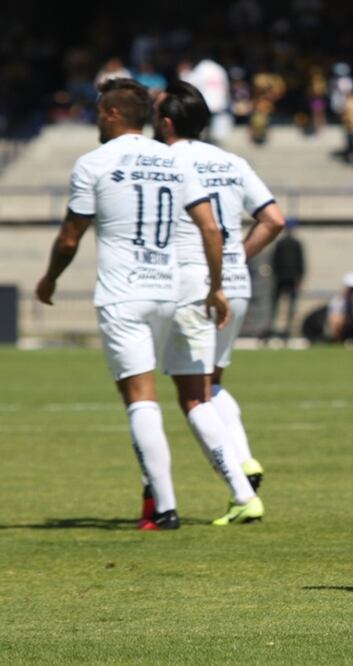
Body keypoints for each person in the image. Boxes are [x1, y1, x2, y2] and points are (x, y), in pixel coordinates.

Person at [34, 78, 227, 530]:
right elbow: (211, 229)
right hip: (166, 291)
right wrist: (215, 286)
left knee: (140, 399)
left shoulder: (93, 162)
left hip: (123, 294)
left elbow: (69, 237)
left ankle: (164, 508)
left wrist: (49, 279)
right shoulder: (173, 159)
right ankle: (154, 497)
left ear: (114, 114)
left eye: (101, 111)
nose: (98, 119)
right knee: (155, 397)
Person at [155, 81, 287, 502]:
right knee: (212, 384)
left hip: (193, 281)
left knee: (192, 394)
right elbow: (274, 219)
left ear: (167, 121)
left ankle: (241, 490)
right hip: (234, 280)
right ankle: (245, 458)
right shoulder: (231, 160)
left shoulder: (164, 159)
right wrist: (236, 256)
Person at [266, 219, 305, 338]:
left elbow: (273, 260)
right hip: (288, 277)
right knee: (286, 304)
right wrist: (300, 276)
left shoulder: (282, 243)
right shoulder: (294, 243)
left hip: (282, 277)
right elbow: (301, 262)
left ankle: (276, 328)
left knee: (278, 304)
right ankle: (284, 329)